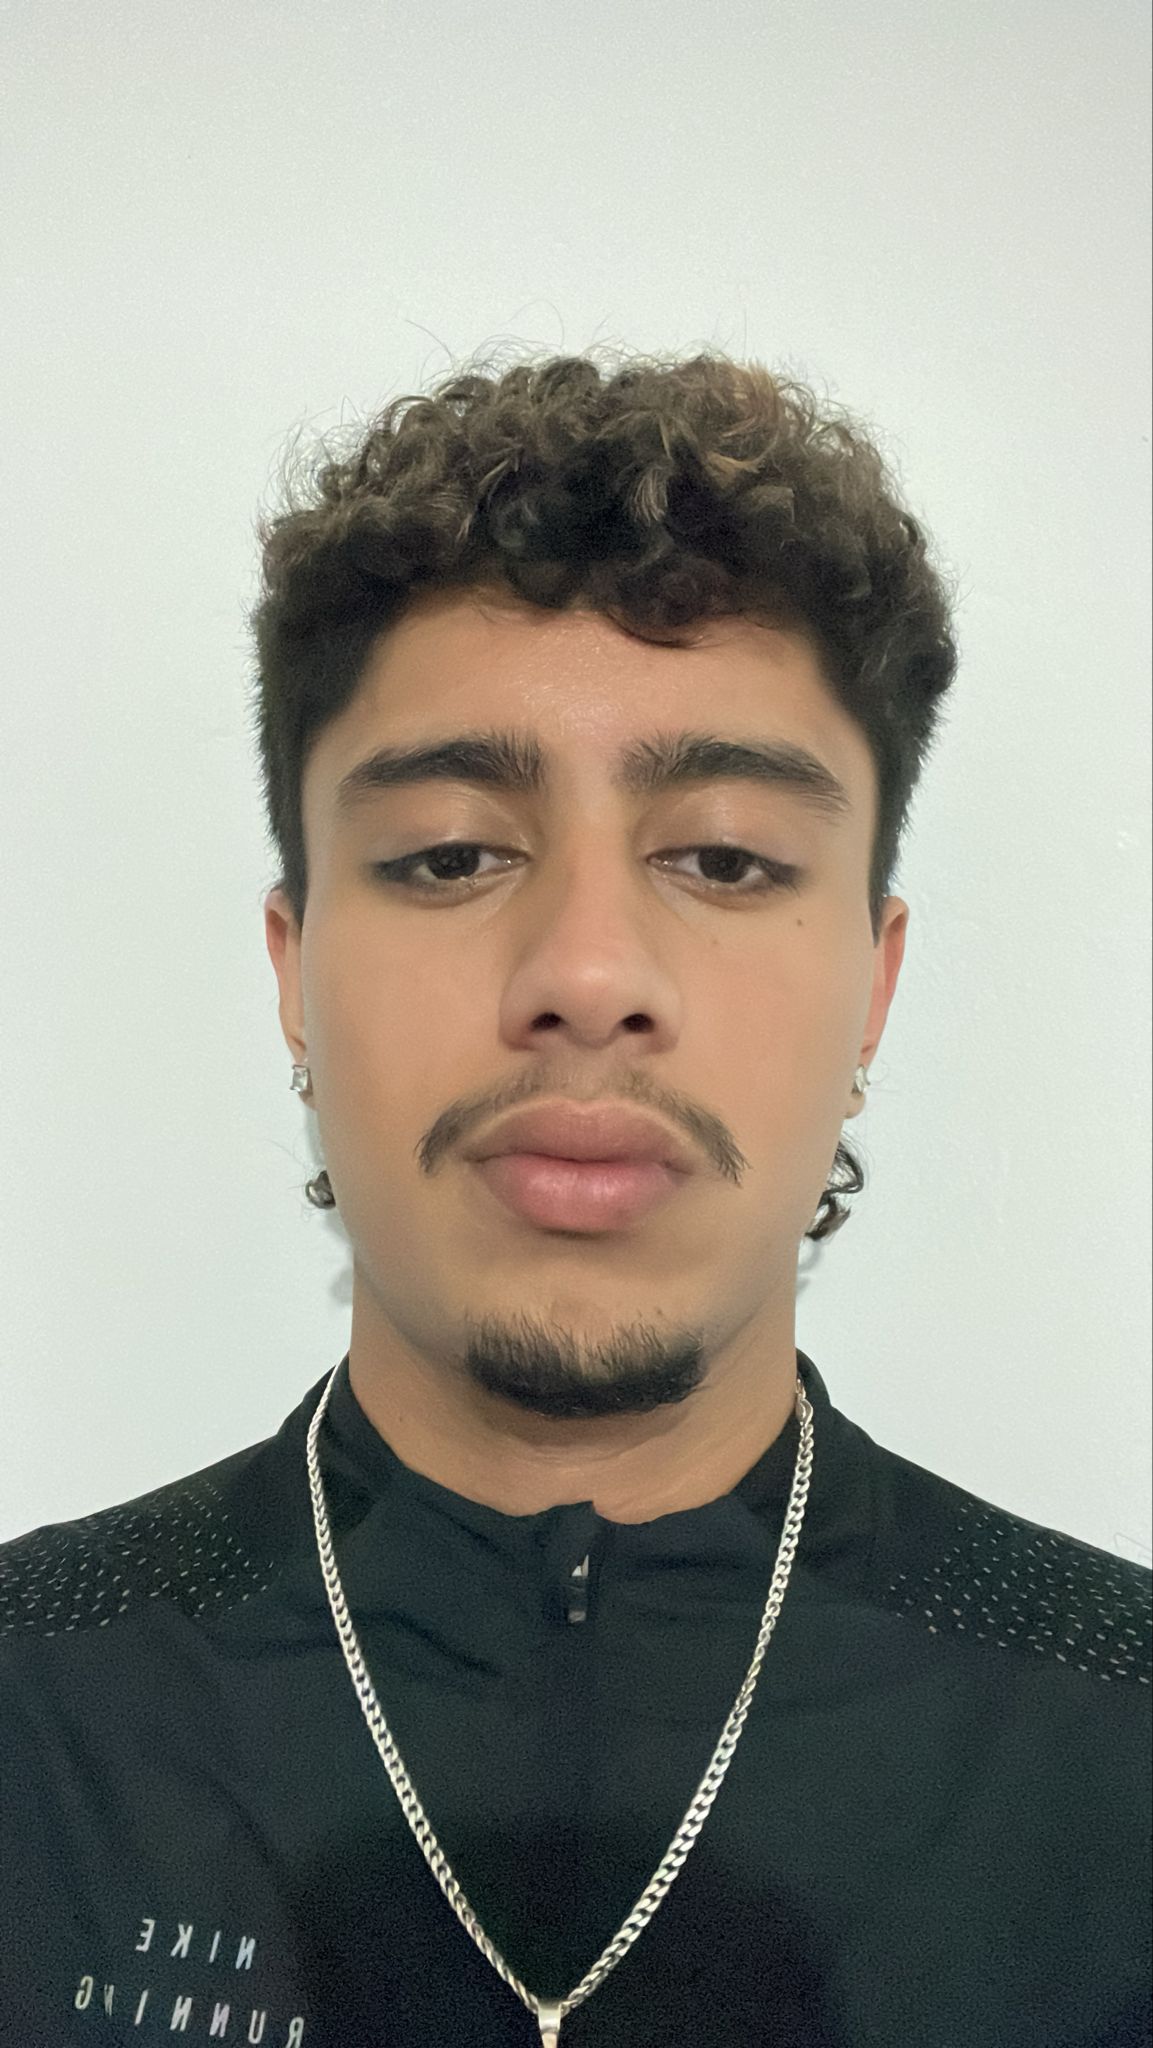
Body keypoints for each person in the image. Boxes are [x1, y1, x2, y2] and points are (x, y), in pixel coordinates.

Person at [1, 349, 1149, 2048]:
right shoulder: (36, 1711)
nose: (589, 973)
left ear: (873, 988)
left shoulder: (1111, 1735)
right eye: (452, 854)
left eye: (728, 858)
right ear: (296, 970)